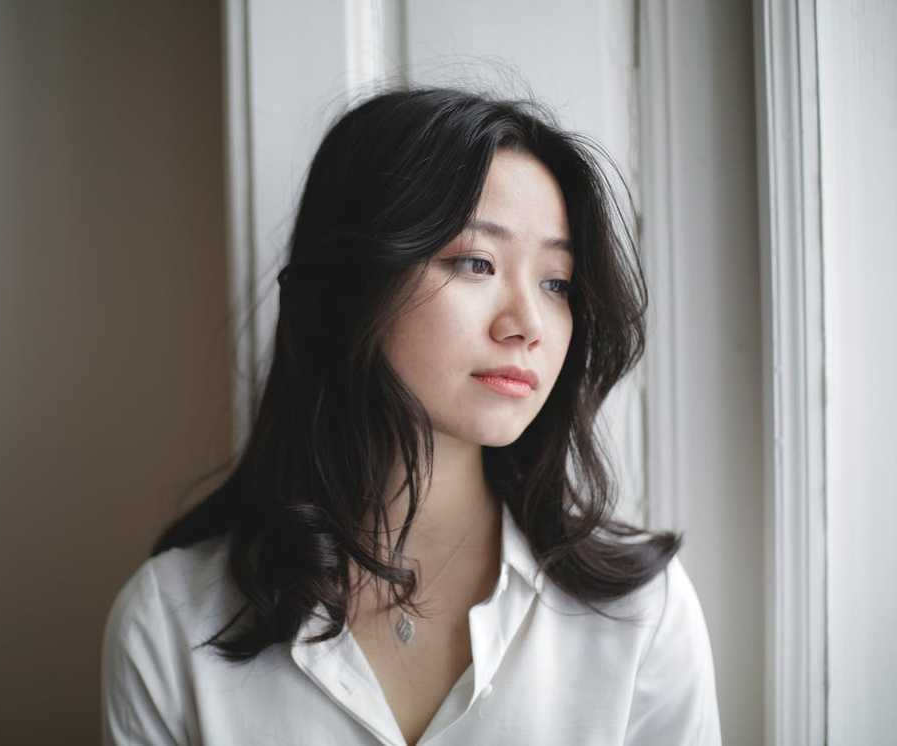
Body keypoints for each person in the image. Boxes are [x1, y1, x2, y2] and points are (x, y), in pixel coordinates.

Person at [101, 87, 721, 745]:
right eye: (476, 262)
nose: (528, 326)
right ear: (354, 282)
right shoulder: (170, 621)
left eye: (558, 282)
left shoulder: (640, 614)